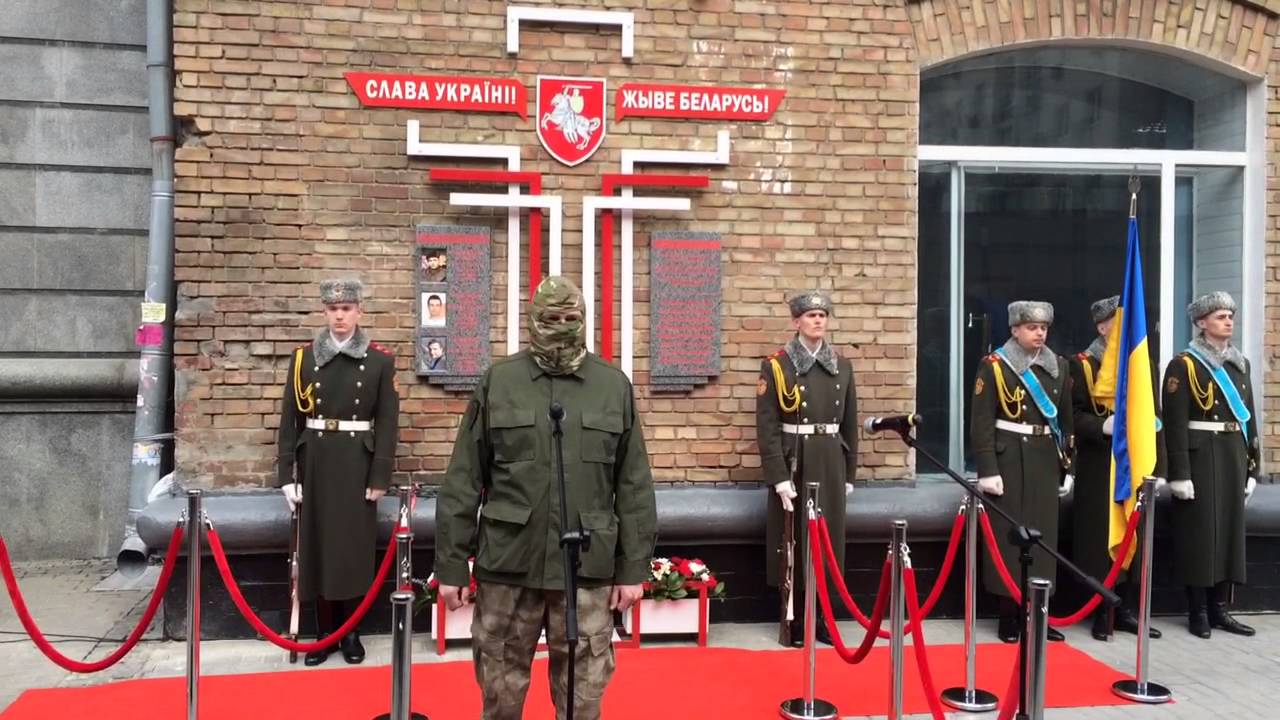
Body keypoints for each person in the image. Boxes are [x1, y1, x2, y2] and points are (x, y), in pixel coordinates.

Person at [434, 276, 657, 720]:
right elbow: (463, 478)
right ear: (532, 320)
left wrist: (633, 568)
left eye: (570, 317)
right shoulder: (499, 382)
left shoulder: (612, 386)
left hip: (586, 566)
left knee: (582, 698)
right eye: (550, 318)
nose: (561, 326)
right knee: (500, 690)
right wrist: (452, 565)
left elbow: (633, 485)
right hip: (510, 562)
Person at [276, 278, 399, 666]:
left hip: (356, 464)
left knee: (352, 549)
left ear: (359, 311)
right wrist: (287, 476)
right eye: (333, 309)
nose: (340, 316)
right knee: (316, 547)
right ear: (324, 312)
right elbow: (290, 420)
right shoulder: (303, 359)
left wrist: (380, 476)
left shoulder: (379, 361)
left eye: (346, 308)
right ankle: (323, 633)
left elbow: (387, 422)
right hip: (316, 461)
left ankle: (351, 632)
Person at [756, 290, 858, 648]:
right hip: (795, 459)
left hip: (830, 459)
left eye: (822, 315)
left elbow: (849, 425)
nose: (817, 320)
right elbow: (767, 426)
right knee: (795, 541)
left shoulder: (842, 366)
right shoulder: (777, 365)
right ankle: (795, 617)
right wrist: (778, 477)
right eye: (811, 315)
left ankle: (823, 618)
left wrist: (849, 473)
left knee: (828, 539)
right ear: (796, 321)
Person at [971, 300, 1074, 643]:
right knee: (1010, 537)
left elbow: (1065, 421)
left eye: (1043, 327)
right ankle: (1009, 614)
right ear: (1015, 330)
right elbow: (982, 422)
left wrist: (1068, 466)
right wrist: (987, 468)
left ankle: (1038, 613)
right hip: (1010, 459)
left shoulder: (1059, 366)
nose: (1039, 333)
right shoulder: (995, 366)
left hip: (1045, 460)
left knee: (1043, 539)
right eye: (1032, 327)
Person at [1162, 291, 1258, 639]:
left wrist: (1252, 467)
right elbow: (1174, 423)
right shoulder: (1184, 365)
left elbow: (1249, 417)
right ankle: (1198, 610)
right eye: (1220, 317)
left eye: (1230, 316)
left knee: (1229, 534)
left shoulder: (1240, 363)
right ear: (1201, 323)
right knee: (1199, 534)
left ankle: (1220, 609)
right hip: (1200, 456)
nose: (1228, 321)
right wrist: (1179, 473)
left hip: (1232, 454)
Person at [1069, 295, 1163, 641]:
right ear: (1102, 327)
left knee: (1132, 532)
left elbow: (1155, 418)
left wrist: (1160, 467)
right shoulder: (1083, 364)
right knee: (1100, 538)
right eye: (1119, 321)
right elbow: (1072, 415)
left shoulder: (1141, 362)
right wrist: (1101, 426)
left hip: (1134, 461)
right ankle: (1100, 608)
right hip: (1099, 463)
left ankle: (1124, 609)